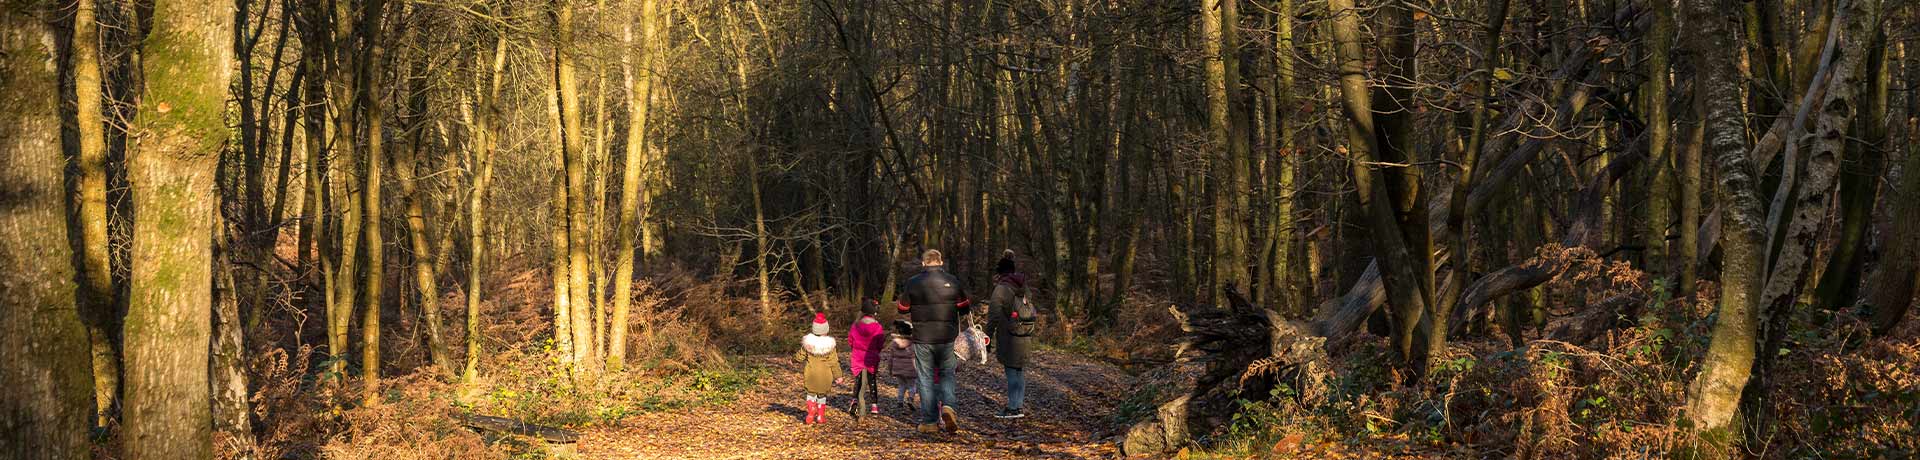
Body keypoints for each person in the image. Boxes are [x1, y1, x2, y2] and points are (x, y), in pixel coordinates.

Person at [896, 249, 972, 433]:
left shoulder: (913, 283)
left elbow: (902, 308)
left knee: (925, 377)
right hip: (948, 337)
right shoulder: (953, 281)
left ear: (923, 263)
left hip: (923, 338)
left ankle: (930, 422)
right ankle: (948, 407)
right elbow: (964, 307)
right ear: (941, 262)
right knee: (947, 373)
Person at [984, 250, 1035, 419]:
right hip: (1025, 334)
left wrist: (987, 337)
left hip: (1009, 336)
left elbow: (993, 316)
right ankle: (1018, 406)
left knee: (1012, 372)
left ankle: (1013, 408)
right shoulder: (1024, 287)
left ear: (1000, 273)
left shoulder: (1001, 289)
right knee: (1019, 371)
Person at [793, 312, 842, 424]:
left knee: (811, 393)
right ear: (826, 330)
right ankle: (820, 416)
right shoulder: (830, 346)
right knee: (822, 395)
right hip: (825, 375)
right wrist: (838, 376)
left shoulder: (808, 344)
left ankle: (811, 411)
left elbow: (800, 356)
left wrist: (793, 360)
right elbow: (834, 362)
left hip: (811, 374)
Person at [846, 299, 886, 417]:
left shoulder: (855, 325)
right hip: (871, 356)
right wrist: (877, 350)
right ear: (874, 313)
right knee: (872, 381)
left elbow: (850, 340)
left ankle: (854, 400)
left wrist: (855, 347)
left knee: (858, 381)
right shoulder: (877, 327)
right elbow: (880, 342)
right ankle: (874, 406)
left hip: (858, 357)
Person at [877, 320, 919, 411]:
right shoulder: (914, 344)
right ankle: (910, 399)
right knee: (912, 385)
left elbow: (890, 358)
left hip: (898, 369)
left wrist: (890, 369)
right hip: (911, 369)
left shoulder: (894, 343)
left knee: (902, 385)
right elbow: (918, 357)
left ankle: (900, 402)